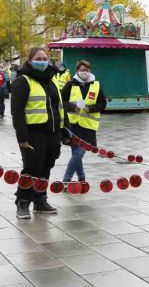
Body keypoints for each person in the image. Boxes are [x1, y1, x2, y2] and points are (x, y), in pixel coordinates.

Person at [10, 47, 63, 220]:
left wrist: (64, 129)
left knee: (47, 166)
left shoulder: (52, 80)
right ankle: (23, 201)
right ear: (30, 60)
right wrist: (22, 137)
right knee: (32, 168)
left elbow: (58, 106)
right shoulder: (23, 81)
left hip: (53, 132)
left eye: (45, 58)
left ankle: (40, 199)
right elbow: (17, 111)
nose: (42, 61)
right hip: (34, 133)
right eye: (38, 58)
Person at [61, 60, 107, 186]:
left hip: (88, 126)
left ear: (90, 71)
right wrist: (72, 107)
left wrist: (90, 109)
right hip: (73, 124)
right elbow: (61, 102)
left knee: (79, 152)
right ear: (77, 71)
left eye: (86, 70)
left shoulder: (96, 85)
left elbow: (103, 104)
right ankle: (81, 178)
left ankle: (66, 180)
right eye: (82, 70)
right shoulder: (70, 84)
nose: (84, 72)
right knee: (76, 154)